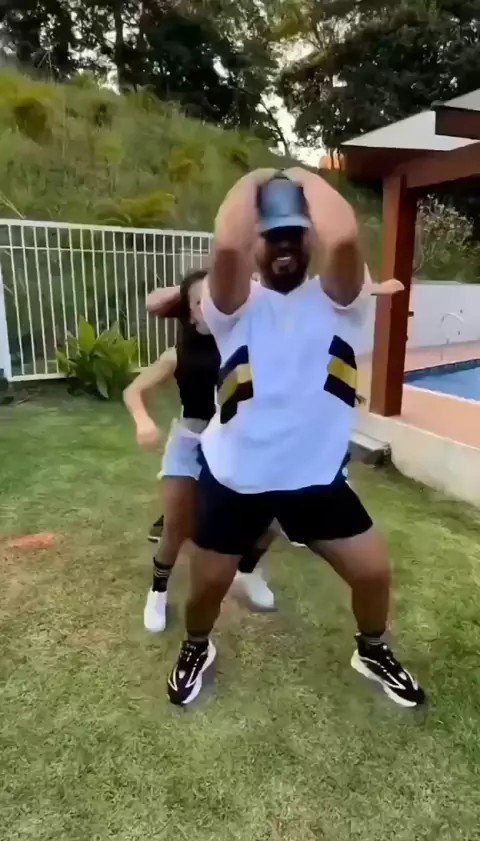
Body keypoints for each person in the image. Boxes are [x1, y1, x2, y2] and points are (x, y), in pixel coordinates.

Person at [162, 166, 425, 708]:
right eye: (271, 235)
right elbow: (227, 245)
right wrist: (260, 178)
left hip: (315, 481)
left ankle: (371, 650)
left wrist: (302, 177)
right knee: (206, 588)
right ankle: (196, 647)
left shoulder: (343, 303)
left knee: (373, 573)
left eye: (294, 234)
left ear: (311, 241)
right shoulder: (232, 307)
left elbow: (344, 236)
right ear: (255, 245)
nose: (283, 244)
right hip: (235, 482)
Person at [124, 269, 276, 634]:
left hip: (239, 443)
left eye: (214, 300)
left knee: (274, 517)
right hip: (190, 442)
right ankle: (158, 591)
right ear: (190, 312)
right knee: (177, 527)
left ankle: (247, 569)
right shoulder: (177, 354)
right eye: (198, 302)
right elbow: (133, 391)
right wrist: (143, 421)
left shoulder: (249, 343)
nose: (208, 308)